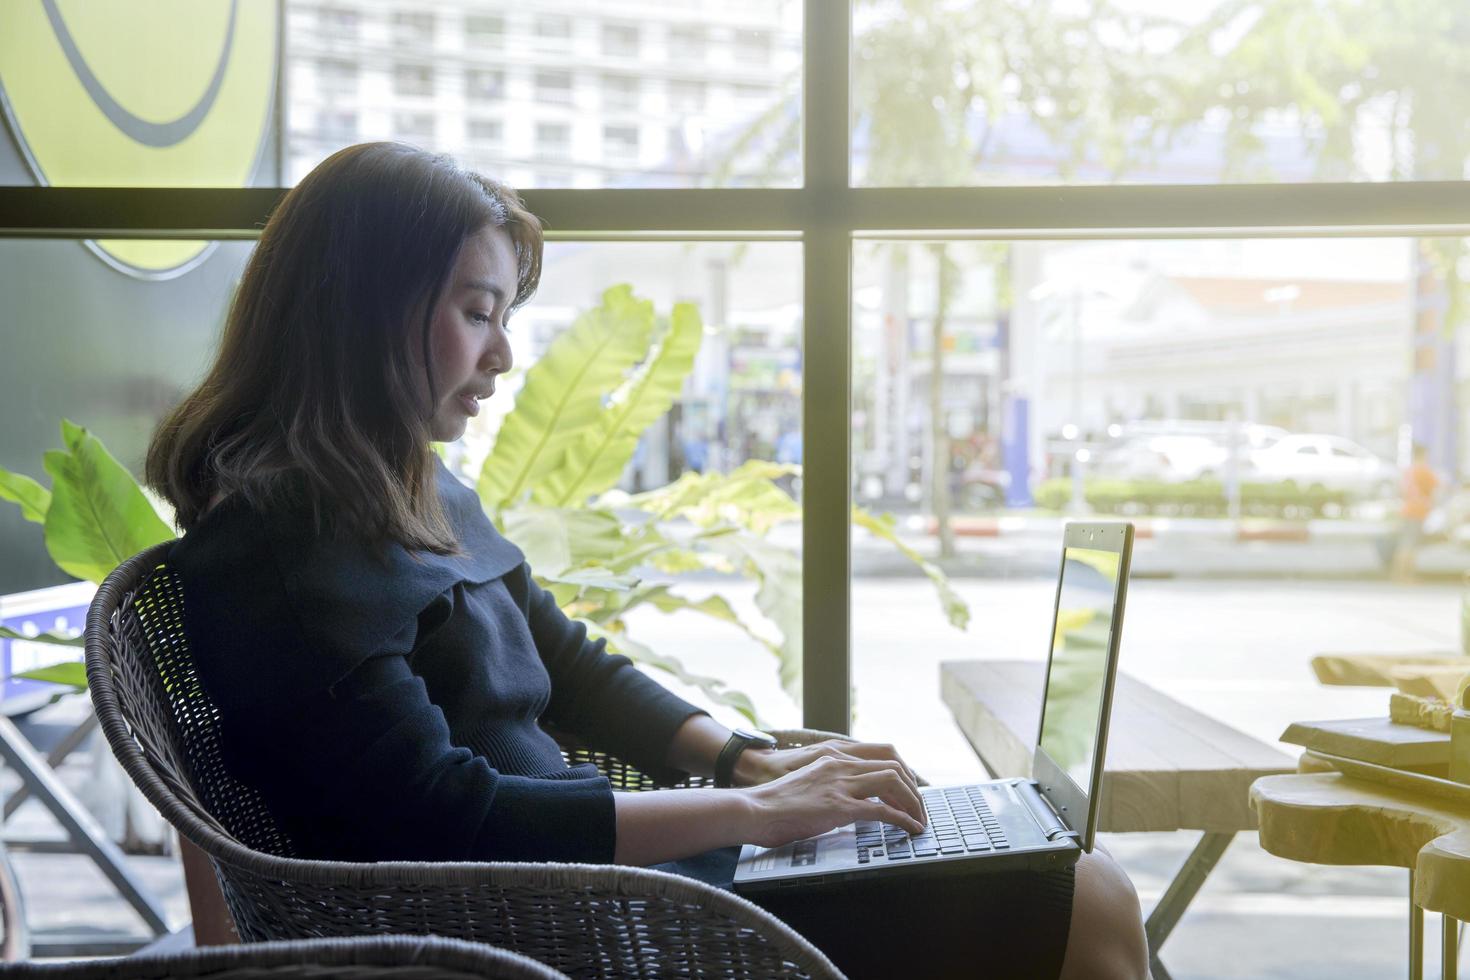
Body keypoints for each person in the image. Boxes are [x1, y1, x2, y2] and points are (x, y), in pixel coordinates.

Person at [144, 143, 1148, 980]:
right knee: (1085, 895)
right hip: (568, 932)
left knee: (1067, 867)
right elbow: (449, 818)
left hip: (624, 886)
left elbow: (570, 661)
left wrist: (746, 759)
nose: (503, 355)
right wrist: (755, 811)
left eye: (504, 316)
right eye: (476, 311)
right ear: (359, 310)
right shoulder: (279, 547)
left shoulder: (415, 486)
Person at [1392, 444, 1440, 582]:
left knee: (1405, 544)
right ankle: (1405, 576)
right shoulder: (1424, 470)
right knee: (1410, 545)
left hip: (1407, 510)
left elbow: (1402, 491)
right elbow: (1437, 488)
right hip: (1417, 511)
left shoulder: (1409, 471)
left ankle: (1399, 575)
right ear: (1424, 455)